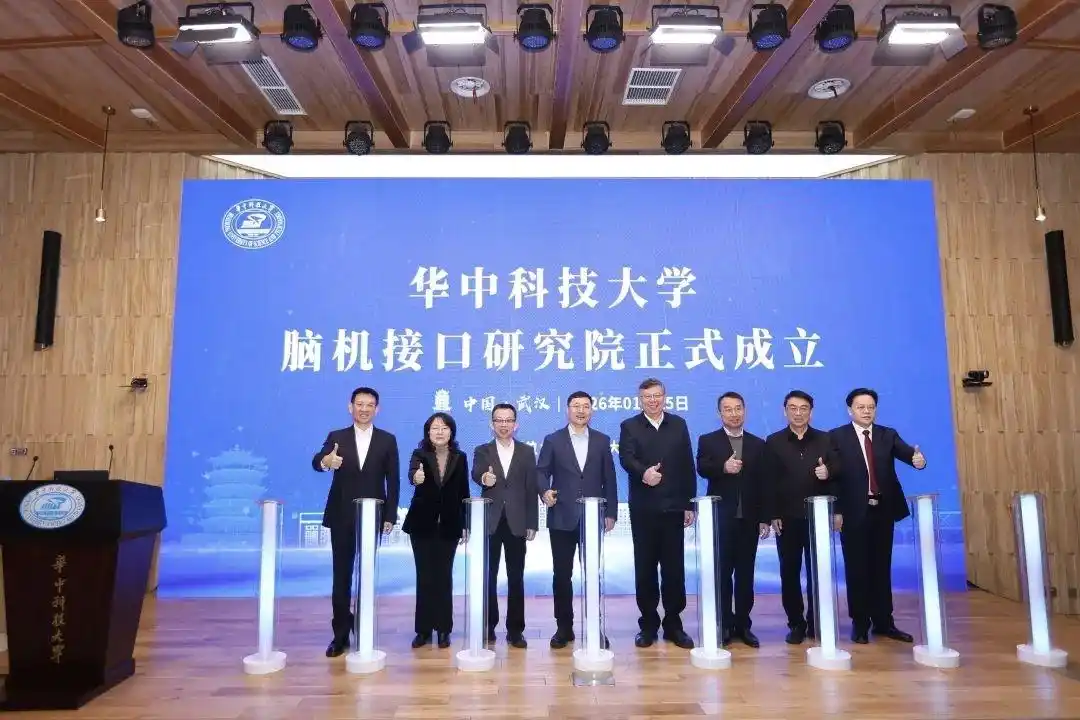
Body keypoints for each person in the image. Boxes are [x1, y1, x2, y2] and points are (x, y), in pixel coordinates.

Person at [311, 386, 400, 658]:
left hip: (373, 516)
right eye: (359, 404)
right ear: (350, 407)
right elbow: (317, 461)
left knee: (367, 575)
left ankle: (363, 628)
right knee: (341, 576)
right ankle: (340, 633)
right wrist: (327, 461)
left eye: (369, 405)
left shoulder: (387, 440)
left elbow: (393, 481)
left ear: (377, 409)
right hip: (342, 515)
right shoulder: (336, 437)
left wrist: (390, 515)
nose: (364, 409)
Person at [829, 388, 923, 644]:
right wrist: (837, 511)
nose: (866, 411)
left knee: (881, 567)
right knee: (856, 568)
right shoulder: (836, 436)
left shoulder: (887, 434)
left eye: (871, 407)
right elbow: (833, 478)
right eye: (861, 407)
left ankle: (884, 621)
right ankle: (860, 623)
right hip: (852, 513)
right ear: (850, 410)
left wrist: (917, 459)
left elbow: (908, 453)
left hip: (882, 511)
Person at [536, 390, 618, 649]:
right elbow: (541, 472)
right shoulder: (553, 440)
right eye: (576, 406)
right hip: (561, 517)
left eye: (585, 406)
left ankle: (595, 628)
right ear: (567, 410)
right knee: (562, 575)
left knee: (593, 575)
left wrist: (611, 512)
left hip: (593, 518)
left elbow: (610, 479)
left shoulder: (602, 441)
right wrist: (544, 491)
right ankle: (564, 628)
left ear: (591, 411)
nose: (581, 410)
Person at [618, 378, 696, 650]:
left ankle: (674, 624)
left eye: (657, 395)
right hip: (644, 509)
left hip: (674, 508)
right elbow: (626, 458)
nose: (653, 400)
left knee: (674, 568)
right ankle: (648, 624)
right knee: (645, 568)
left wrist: (689, 504)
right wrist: (644, 473)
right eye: (647, 397)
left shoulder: (678, 424)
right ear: (640, 400)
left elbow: (687, 464)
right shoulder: (629, 426)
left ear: (664, 397)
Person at [695, 391, 770, 648]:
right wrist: (723, 468)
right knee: (722, 574)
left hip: (749, 519)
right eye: (728, 409)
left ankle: (743, 625)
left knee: (746, 574)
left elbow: (764, 483)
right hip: (721, 519)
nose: (734, 414)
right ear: (720, 413)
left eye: (738, 408)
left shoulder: (758, 444)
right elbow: (702, 468)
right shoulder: (708, 440)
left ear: (744, 411)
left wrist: (764, 518)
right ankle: (724, 624)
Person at [764, 389, 839, 645]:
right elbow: (768, 481)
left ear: (811, 412)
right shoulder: (773, 441)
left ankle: (817, 620)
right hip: (786, 518)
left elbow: (839, 474)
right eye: (793, 408)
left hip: (818, 517)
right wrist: (773, 513)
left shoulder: (826, 439)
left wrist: (828, 472)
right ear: (785, 411)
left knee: (818, 571)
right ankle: (796, 623)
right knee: (789, 572)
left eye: (803, 408)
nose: (798, 413)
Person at [471, 402, 538, 648]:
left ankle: (515, 630)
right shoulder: (482, 450)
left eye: (508, 420)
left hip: (517, 522)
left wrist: (532, 522)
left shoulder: (527, 451)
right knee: (488, 576)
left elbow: (531, 489)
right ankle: (488, 626)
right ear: (492, 424)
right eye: (499, 420)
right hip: (491, 521)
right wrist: (484, 478)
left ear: (516, 424)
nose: (504, 425)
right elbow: (476, 473)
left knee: (516, 577)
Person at [402, 412, 470, 649]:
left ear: (451, 431)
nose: (439, 432)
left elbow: (463, 491)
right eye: (435, 428)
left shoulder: (460, 457)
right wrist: (416, 477)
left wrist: (465, 524)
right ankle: (422, 630)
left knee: (444, 577)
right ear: (428, 432)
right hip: (422, 525)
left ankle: (443, 629)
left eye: (444, 428)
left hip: (450, 525)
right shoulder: (419, 454)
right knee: (425, 577)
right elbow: (412, 475)